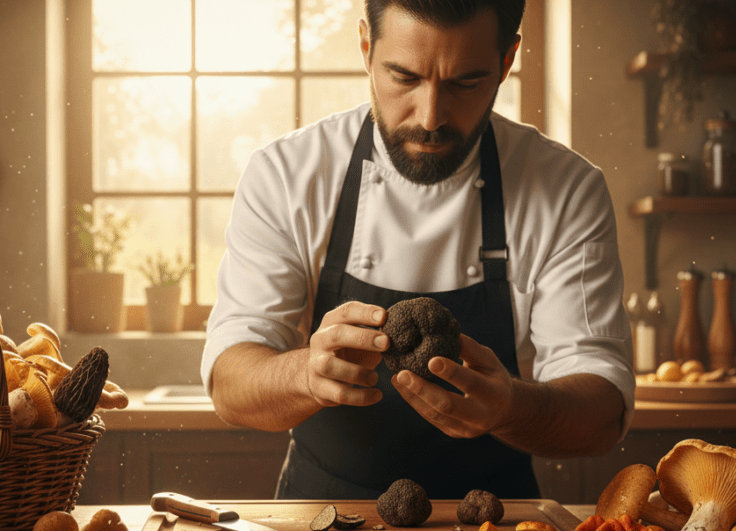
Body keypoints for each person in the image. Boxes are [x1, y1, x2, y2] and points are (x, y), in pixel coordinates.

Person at [202, 0, 634, 500]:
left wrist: (509, 407)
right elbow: (230, 382)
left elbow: (601, 413)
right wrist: (305, 373)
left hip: (495, 529)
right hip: (320, 523)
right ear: (366, 47)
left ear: (506, 62)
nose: (430, 117)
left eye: (464, 83)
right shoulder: (287, 173)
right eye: (404, 77)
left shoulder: (565, 188)